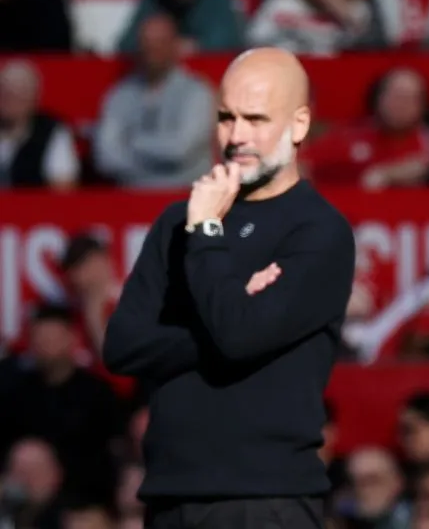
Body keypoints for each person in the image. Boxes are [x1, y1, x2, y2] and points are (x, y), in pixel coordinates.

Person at [102, 47, 355, 529]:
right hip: (168, 495)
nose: (236, 136)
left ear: (299, 124)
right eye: (225, 118)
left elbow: (238, 336)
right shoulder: (176, 222)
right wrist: (231, 307)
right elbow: (123, 347)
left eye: (256, 119)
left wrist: (208, 236)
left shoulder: (319, 231)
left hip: (266, 499)